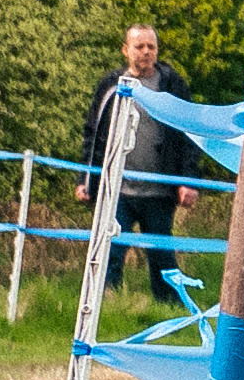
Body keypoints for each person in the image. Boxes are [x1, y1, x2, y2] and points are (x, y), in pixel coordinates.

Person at [82, 23, 206, 304]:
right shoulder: (111, 85)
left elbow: (190, 134)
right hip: (118, 188)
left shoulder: (172, 86)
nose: (146, 52)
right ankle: (106, 305)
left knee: (161, 254)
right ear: (126, 50)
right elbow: (93, 134)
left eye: (152, 46)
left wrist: (188, 180)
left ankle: (169, 309)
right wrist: (86, 179)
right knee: (110, 249)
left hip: (160, 190)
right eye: (140, 46)